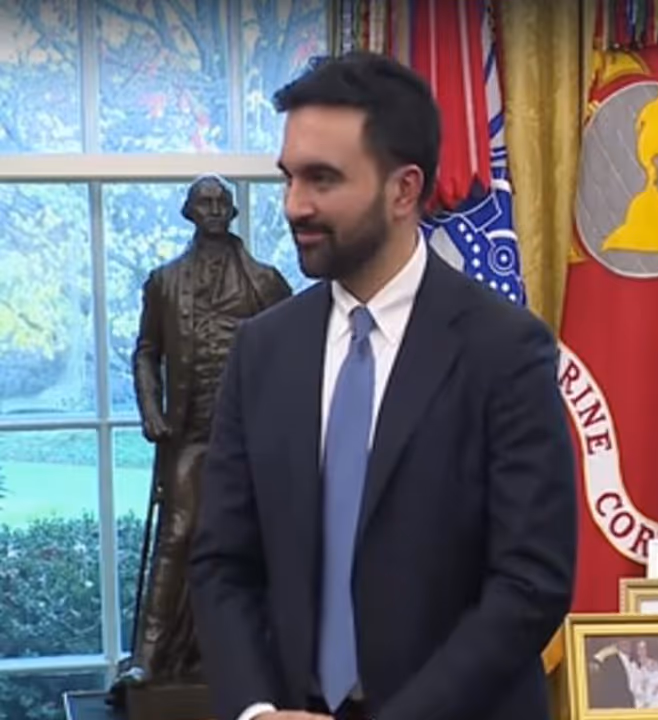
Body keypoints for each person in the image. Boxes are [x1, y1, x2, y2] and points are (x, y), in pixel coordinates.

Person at [187, 51, 577, 720]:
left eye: (322, 179)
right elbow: (223, 562)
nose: (293, 205)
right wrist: (256, 712)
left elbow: (529, 583)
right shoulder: (263, 350)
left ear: (404, 191)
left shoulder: (506, 350)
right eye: (288, 178)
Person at [120, 175, 292, 695]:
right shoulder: (164, 281)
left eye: (222, 202)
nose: (214, 210)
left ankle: (262, 652)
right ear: (189, 211)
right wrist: (152, 409)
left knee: (261, 542)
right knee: (177, 535)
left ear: (234, 211)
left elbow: (295, 356)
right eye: (205, 202)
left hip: (251, 438)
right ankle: (148, 658)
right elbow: (147, 351)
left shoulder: (266, 282)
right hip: (190, 434)